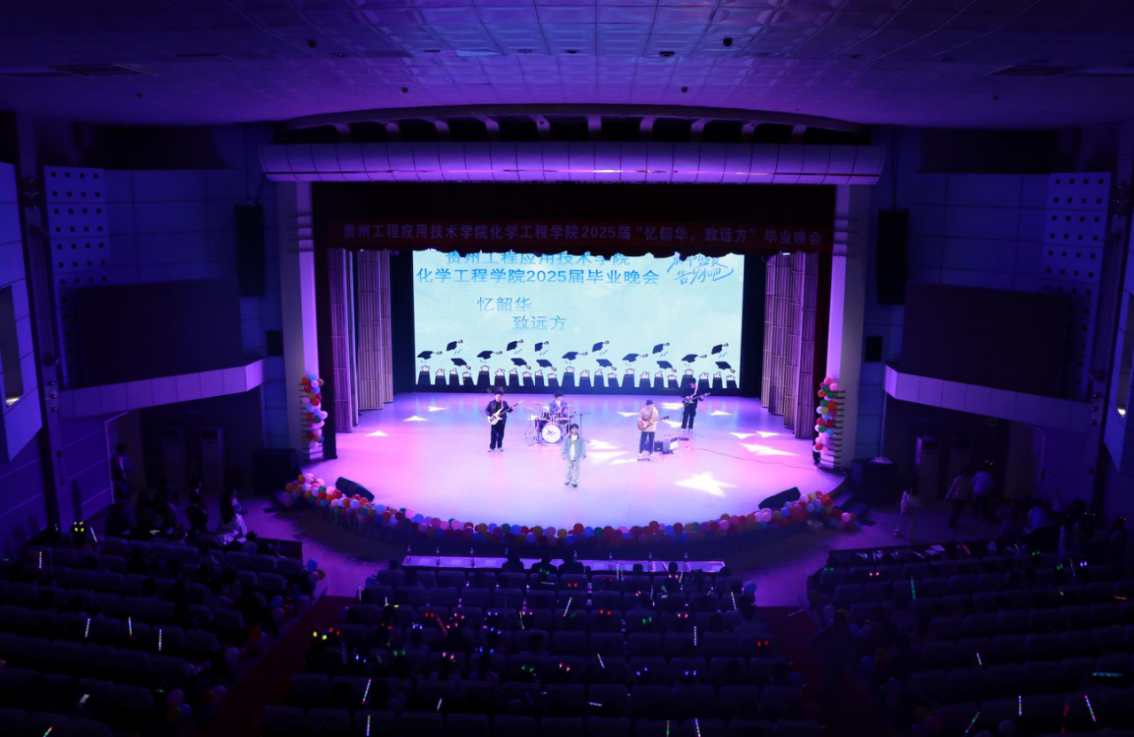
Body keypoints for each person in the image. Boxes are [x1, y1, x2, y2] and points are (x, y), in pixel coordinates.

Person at [561, 423, 586, 488]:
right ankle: (567, 479)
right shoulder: (567, 438)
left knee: (576, 469)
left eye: (576, 428)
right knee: (568, 469)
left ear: (578, 429)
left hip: (576, 456)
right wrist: (563, 454)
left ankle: (574, 481)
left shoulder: (580, 438)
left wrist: (583, 455)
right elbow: (564, 446)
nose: (574, 430)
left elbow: (583, 447)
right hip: (569, 456)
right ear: (571, 429)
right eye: (573, 428)